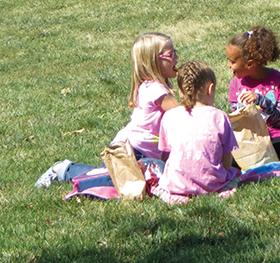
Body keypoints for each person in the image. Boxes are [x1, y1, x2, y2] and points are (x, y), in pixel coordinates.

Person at [36, 32, 180, 188]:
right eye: (171, 55)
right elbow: (181, 115)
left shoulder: (153, 87)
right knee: (113, 181)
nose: (177, 59)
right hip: (131, 151)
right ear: (153, 62)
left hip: (144, 153)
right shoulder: (155, 89)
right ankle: (64, 169)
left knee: (139, 180)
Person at [154, 60, 239, 204]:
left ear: (181, 92)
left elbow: (165, 156)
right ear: (210, 89)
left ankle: (173, 196)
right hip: (211, 185)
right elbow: (226, 160)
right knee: (235, 173)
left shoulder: (168, 117)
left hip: (176, 185)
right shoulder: (219, 116)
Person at [226, 26, 280, 161]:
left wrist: (261, 101)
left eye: (232, 61)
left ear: (250, 64)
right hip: (249, 141)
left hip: (276, 136)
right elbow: (237, 123)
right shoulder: (235, 84)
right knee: (230, 162)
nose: (228, 65)